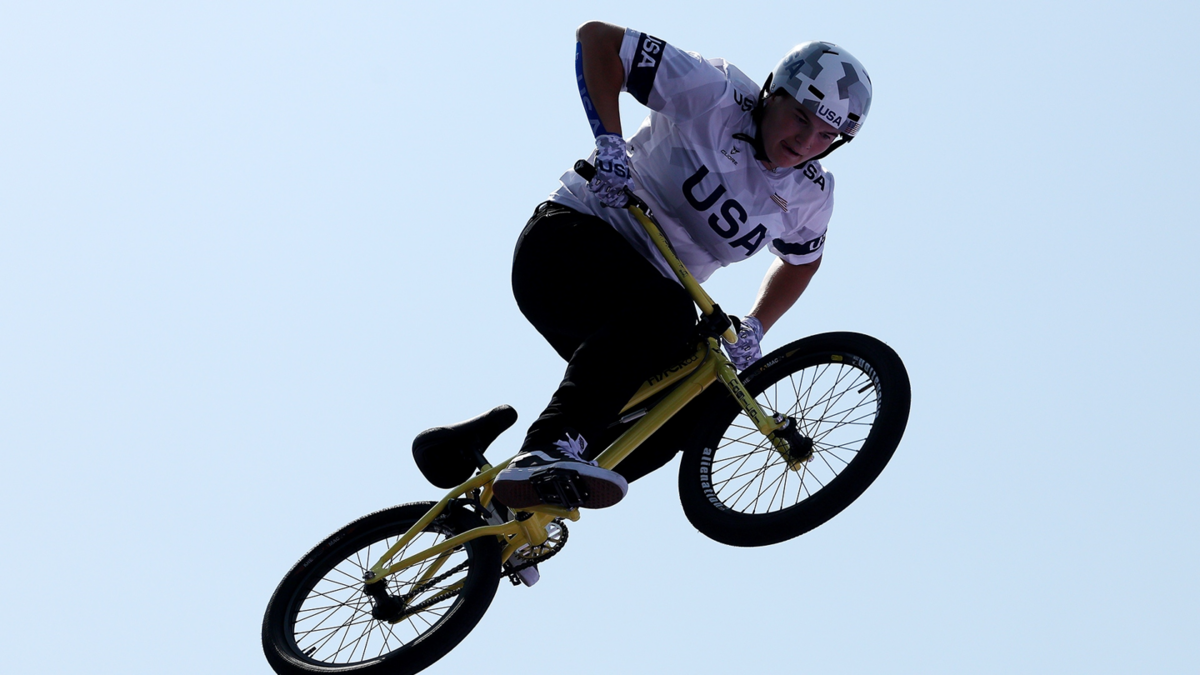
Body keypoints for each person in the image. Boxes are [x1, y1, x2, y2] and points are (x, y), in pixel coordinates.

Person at [491, 21, 873, 511]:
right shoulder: (714, 93)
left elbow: (801, 263)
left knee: (699, 395)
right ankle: (546, 447)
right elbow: (598, 40)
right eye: (800, 117)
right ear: (771, 94)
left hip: (638, 310)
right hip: (567, 245)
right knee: (667, 310)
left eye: (827, 135)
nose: (806, 141)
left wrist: (757, 325)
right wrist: (610, 144)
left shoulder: (809, 195)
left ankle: (521, 507)